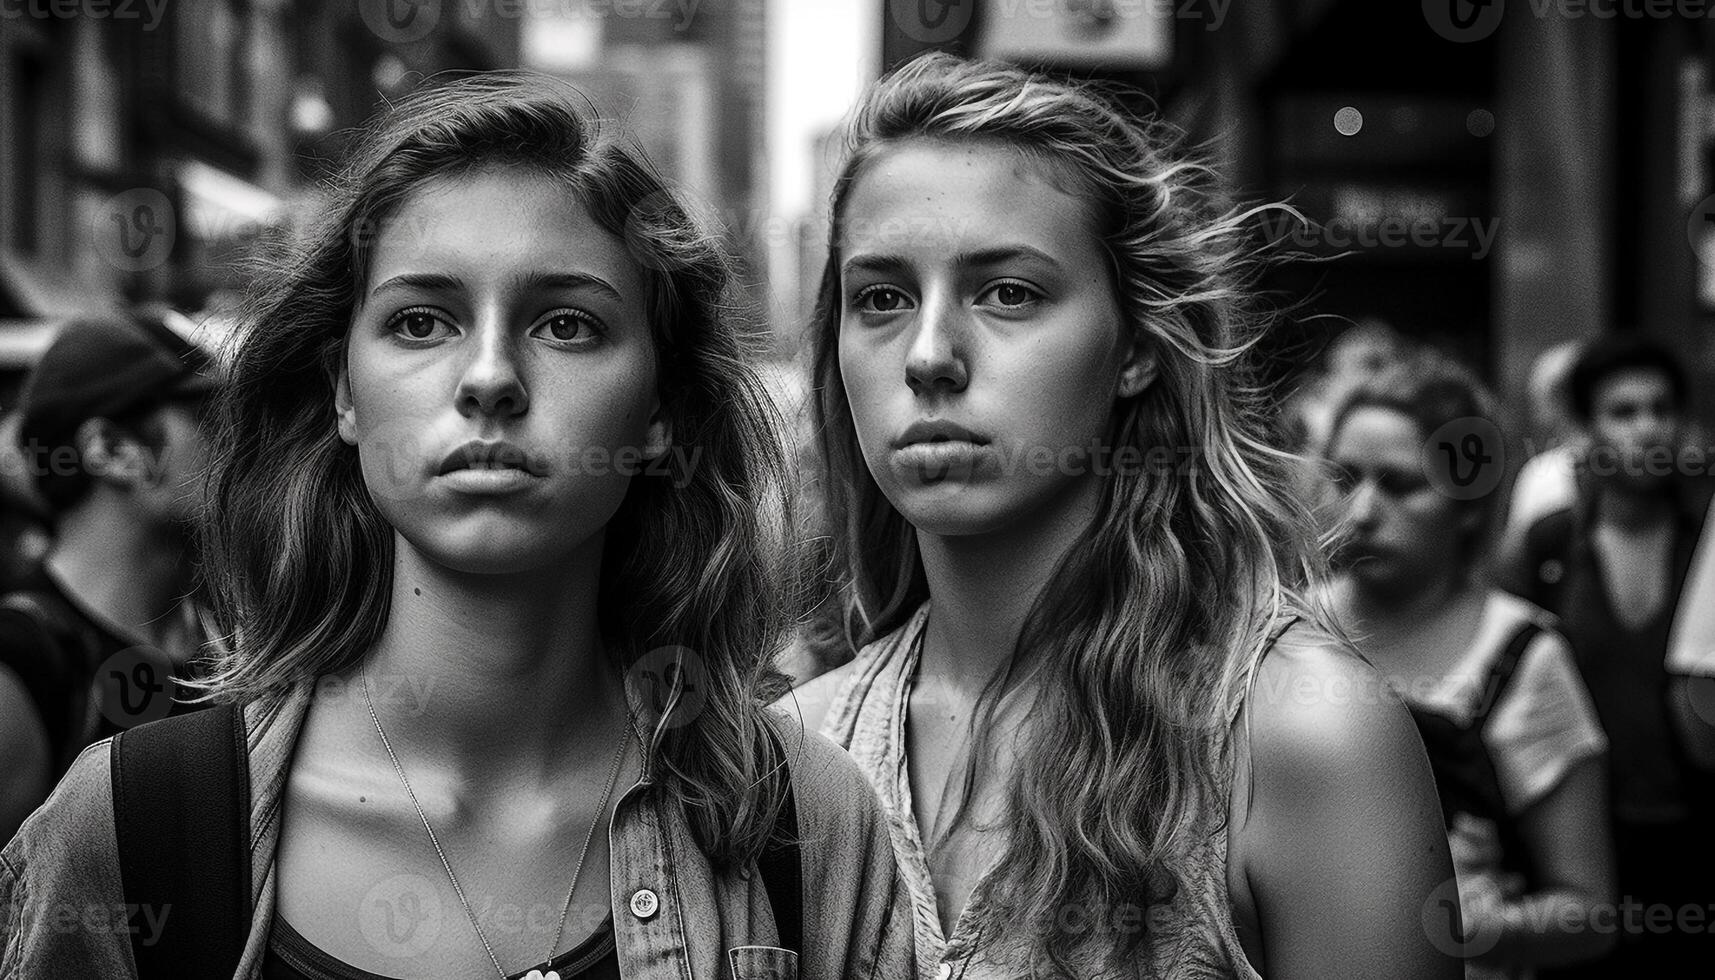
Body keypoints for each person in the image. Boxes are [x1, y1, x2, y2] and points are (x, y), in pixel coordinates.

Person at [0, 73, 913, 979]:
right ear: (342, 391)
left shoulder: (806, 828)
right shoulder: (133, 827)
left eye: (565, 324)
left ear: (660, 408)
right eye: (421, 320)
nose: (487, 377)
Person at [788, 53, 1458, 980]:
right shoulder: (798, 751)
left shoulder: (1299, 736)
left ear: (1137, 347)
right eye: (882, 299)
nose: (929, 354)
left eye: (1007, 292)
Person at [1320, 350, 1614, 979]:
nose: (1363, 511)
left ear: (1471, 503)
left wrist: (1481, 927)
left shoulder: (1523, 657)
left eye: (1400, 484)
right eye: (1345, 479)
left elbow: (1588, 911)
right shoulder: (1280, 631)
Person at [1499, 333, 1714, 975]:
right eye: (1623, 412)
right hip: (1572, 841)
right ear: (1587, 429)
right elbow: (1499, 671)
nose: (1647, 429)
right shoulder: (1551, 543)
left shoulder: (1706, 542)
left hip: (1693, 841)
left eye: (1660, 409)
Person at [0, 310, 218, 843]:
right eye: (213, 420)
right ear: (112, 450)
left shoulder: (230, 641)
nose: (249, 446)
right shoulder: (22, 663)